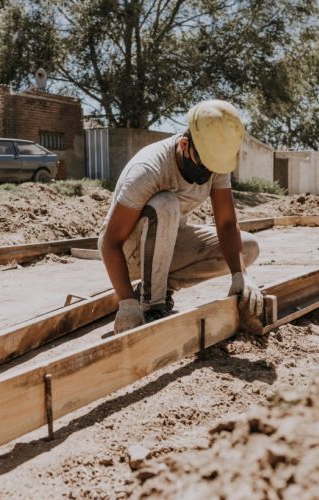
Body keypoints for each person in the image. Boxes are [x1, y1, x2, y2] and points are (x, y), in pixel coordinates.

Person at [98, 99, 263, 334]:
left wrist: (241, 275)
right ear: (185, 145)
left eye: (215, 168)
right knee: (166, 204)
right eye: (205, 166)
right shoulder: (149, 169)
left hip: (165, 241)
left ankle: (159, 288)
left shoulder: (214, 163)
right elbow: (110, 242)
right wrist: (126, 304)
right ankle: (151, 305)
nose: (209, 174)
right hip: (127, 251)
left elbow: (226, 223)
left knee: (247, 248)